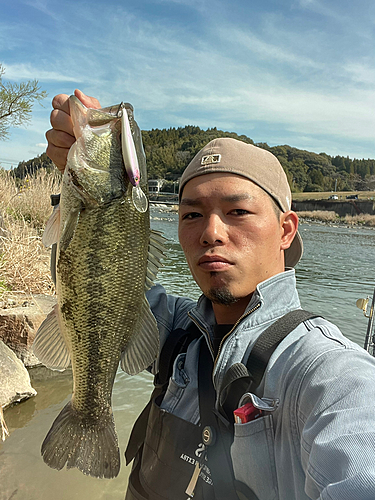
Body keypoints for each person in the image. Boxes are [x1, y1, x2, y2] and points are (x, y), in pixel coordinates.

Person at [46, 91, 375, 500]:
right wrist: (72, 182)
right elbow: (90, 284)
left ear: (287, 231)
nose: (211, 232)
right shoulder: (178, 333)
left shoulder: (331, 376)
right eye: (192, 214)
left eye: (237, 212)